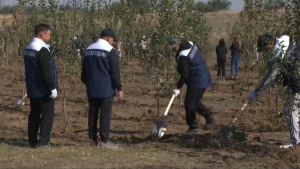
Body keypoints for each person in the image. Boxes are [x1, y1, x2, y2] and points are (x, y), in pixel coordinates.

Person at [248, 33, 299, 148]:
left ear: (267, 46)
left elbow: (270, 77)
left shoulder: (277, 55)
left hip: (296, 83)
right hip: (295, 81)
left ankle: (296, 142)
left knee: (289, 111)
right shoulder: (286, 39)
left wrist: (256, 93)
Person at [81, 28, 124, 149]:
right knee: (105, 114)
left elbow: (83, 72)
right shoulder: (110, 51)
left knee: (93, 113)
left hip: (92, 88)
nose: (113, 43)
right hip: (106, 89)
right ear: (108, 38)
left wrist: (88, 82)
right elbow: (115, 72)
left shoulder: (88, 49)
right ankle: (104, 141)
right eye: (112, 40)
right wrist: (119, 88)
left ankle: (93, 139)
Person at [24, 24, 58, 148]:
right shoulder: (42, 49)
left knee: (34, 114)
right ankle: (44, 141)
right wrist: (52, 87)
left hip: (33, 87)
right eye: (49, 34)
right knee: (47, 114)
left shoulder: (29, 48)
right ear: (42, 34)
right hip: (43, 88)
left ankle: (32, 141)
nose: (49, 37)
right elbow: (46, 71)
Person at [172, 40, 214, 134]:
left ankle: (193, 127)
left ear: (178, 45)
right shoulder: (190, 43)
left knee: (189, 104)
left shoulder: (183, 56)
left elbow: (185, 74)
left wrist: (178, 87)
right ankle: (209, 116)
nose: (173, 50)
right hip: (203, 74)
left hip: (197, 80)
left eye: (174, 48)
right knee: (195, 102)